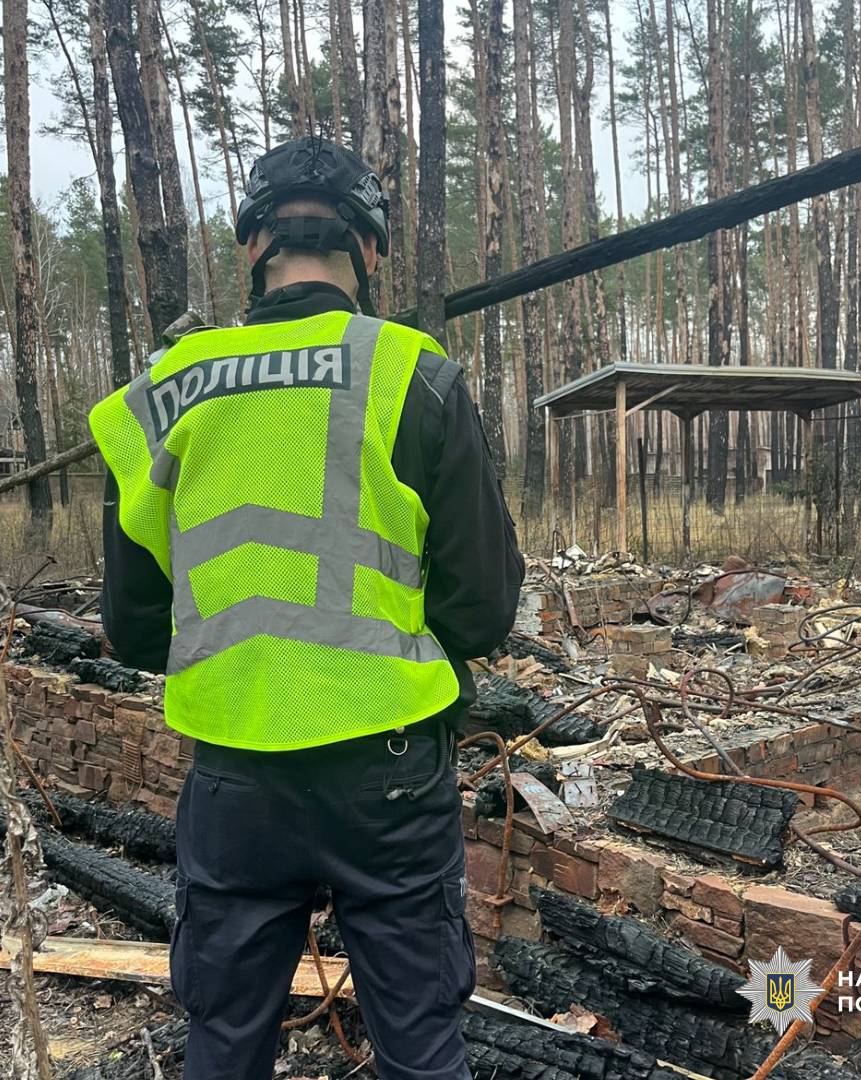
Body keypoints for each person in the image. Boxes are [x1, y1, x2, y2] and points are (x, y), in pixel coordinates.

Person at [89, 135, 524, 1080]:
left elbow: (131, 627)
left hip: (236, 773)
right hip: (392, 770)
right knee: (419, 1042)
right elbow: (484, 609)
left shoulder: (166, 394)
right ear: (368, 252)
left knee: (227, 1036)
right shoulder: (413, 374)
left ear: (252, 248)